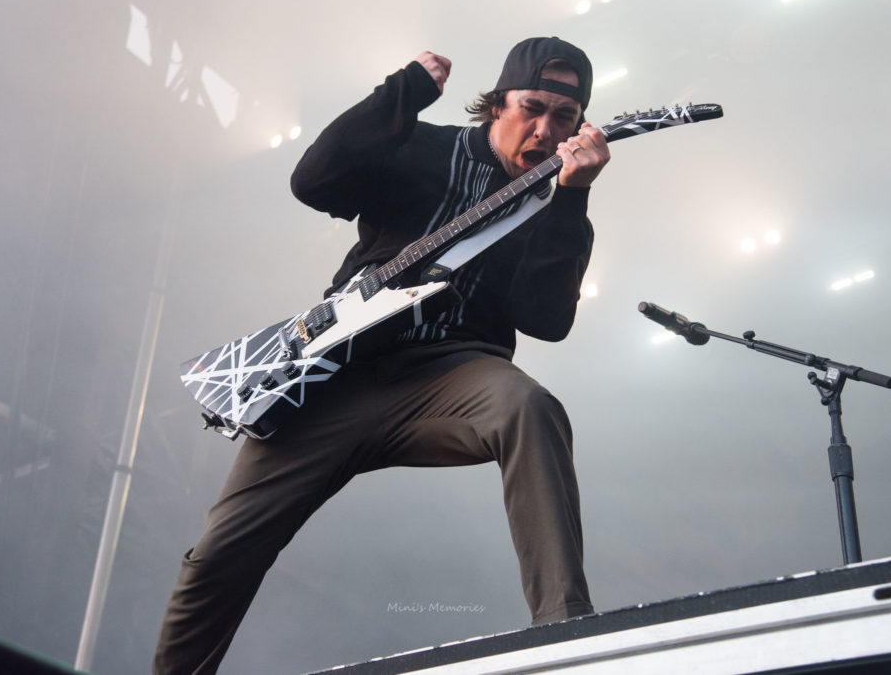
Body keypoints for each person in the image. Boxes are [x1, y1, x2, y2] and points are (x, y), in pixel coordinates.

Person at [153, 36, 611, 674]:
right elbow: (313, 182)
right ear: (497, 104)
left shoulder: (552, 205)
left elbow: (547, 320)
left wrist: (573, 199)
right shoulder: (428, 147)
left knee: (529, 408)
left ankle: (567, 634)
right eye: (532, 108)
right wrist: (403, 93)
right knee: (217, 557)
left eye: (564, 117)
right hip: (334, 377)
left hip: (451, 375)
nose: (544, 130)